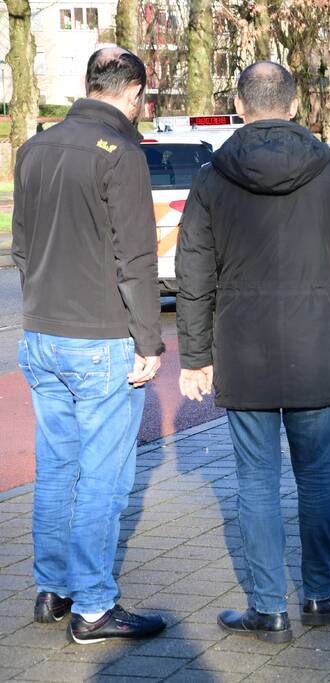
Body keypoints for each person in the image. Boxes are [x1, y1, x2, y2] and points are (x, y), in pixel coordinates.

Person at [175, 62, 330, 643]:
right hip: (313, 344)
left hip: (243, 348)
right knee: (317, 480)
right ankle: (319, 595)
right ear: (294, 106)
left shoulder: (212, 179)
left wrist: (195, 355)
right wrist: (328, 304)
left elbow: (192, 274)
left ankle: (268, 608)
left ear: (241, 106)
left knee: (256, 482)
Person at [11, 47, 166, 644]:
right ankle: (95, 607)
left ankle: (52, 590)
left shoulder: (33, 148)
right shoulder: (121, 154)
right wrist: (149, 341)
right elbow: (137, 259)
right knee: (103, 475)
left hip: (41, 336)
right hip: (100, 340)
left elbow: (22, 248)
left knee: (56, 468)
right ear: (134, 94)